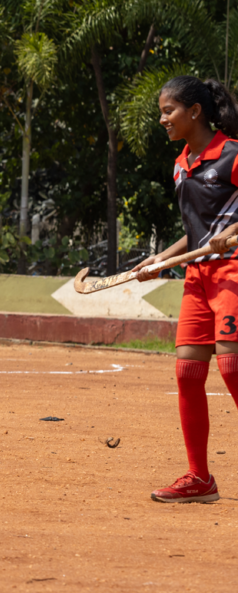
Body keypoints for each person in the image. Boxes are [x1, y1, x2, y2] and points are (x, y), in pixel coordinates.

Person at [135, 75, 238, 503]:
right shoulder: (181, 163)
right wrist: (161, 258)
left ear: (194, 112)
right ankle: (200, 478)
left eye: (168, 111)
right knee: (188, 372)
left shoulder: (232, 154)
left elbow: (225, 228)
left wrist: (233, 229)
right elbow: (196, 234)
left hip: (233, 271)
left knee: (233, 369)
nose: (163, 119)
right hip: (197, 276)